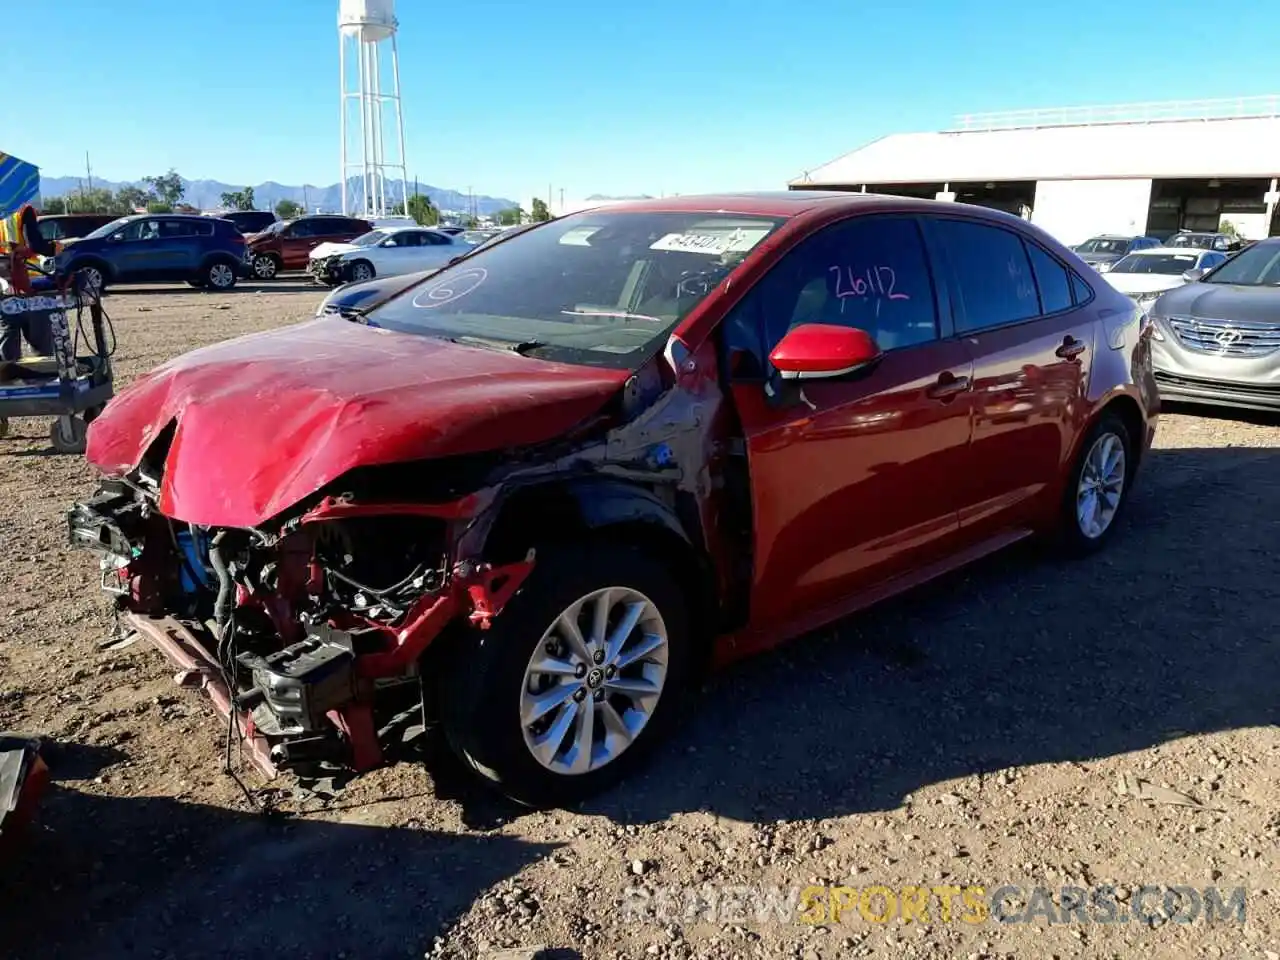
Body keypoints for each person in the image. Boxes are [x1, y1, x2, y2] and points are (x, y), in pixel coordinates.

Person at [0, 205, 56, 361]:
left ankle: (11, 382)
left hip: (5, 288)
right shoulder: (24, 210)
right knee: (43, 351)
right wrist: (55, 248)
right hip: (30, 287)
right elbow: (36, 245)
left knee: (8, 355)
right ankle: (45, 381)